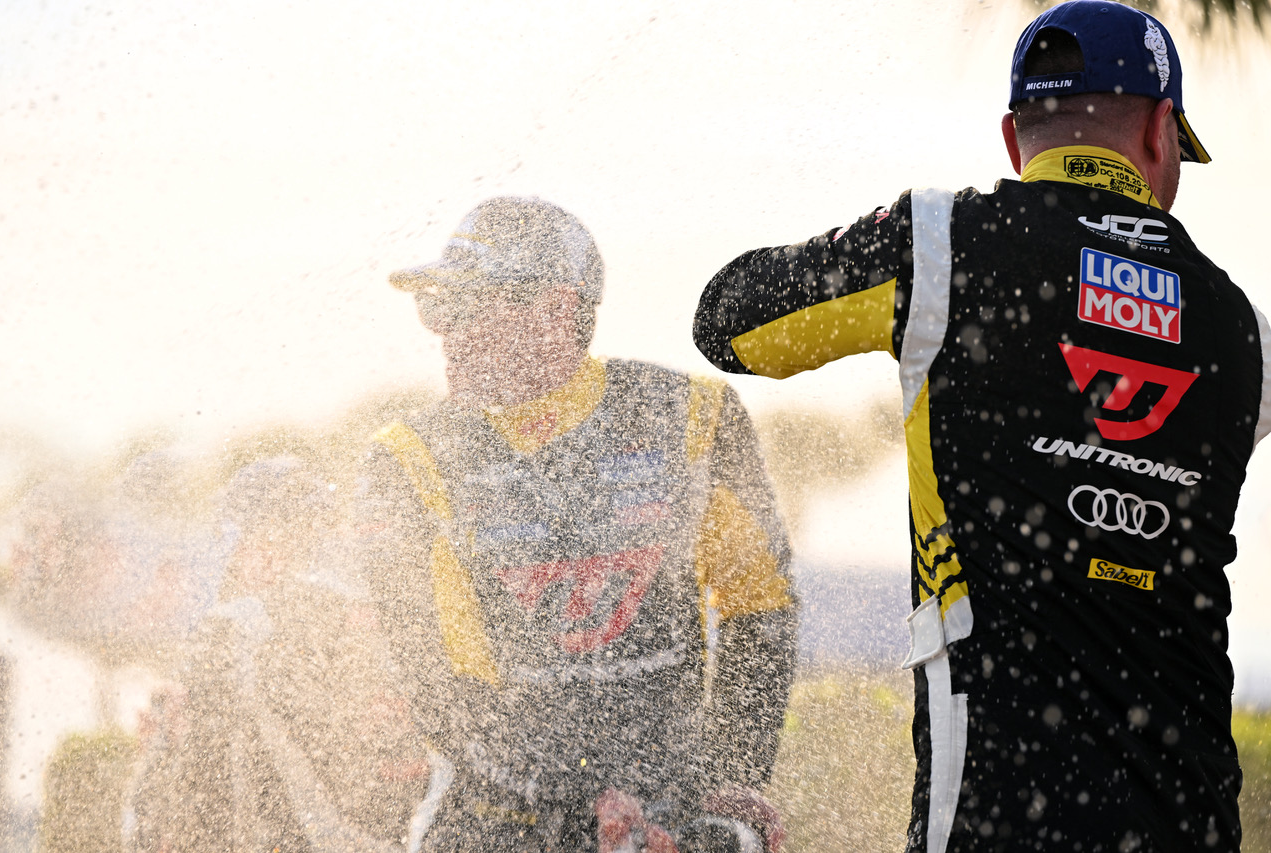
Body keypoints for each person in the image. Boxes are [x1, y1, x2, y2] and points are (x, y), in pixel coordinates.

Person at [692, 3, 1271, 851]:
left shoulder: (945, 241)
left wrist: (890, 250)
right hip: (1189, 809)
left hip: (1000, 791)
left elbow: (728, 321)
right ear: (1158, 135)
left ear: (1014, 138)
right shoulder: (1243, 330)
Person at [357, 196, 797, 852]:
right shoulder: (407, 458)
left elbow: (759, 610)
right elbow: (440, 676)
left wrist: (729, 776)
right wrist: (575, 800)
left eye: (461, 306)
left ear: (558, 308)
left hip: (670, 811)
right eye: (434, 308)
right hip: (497, 811)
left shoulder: (692, 414)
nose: (442, 332)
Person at [126, 456, 428, 852]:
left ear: (262, 543)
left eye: (234, 538)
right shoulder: (374, 612)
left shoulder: (236, 628)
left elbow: (191, 774)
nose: (231, 556)